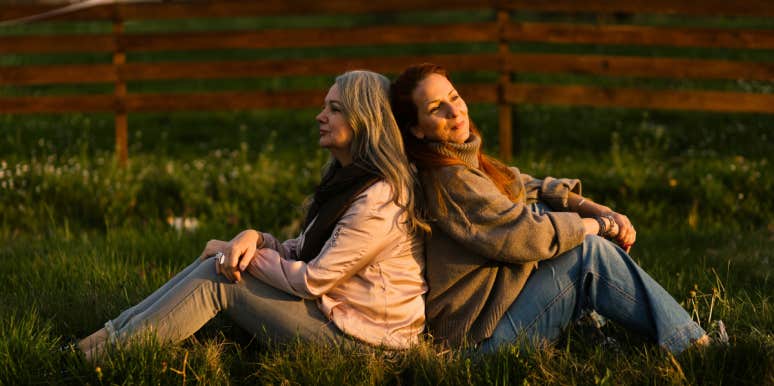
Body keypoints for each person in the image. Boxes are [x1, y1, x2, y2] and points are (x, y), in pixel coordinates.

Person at [77, 70, 428, 361]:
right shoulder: (347, 179)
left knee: (222, 281)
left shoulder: (381, 198)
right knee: (221, 262)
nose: (320, 117)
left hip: (372, 346)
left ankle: (102, 359)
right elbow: (302, 251)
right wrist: (254, 239)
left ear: (364, 120)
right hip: (339, 317)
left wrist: (242, 257)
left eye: (334, 109)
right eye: (325, 107)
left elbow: (313, 279)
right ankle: (93, 347)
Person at [388, 63, 708, 354]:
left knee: (545, 209)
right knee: (588, 255)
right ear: (417, 129)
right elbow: (524, 234)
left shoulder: (464, 162)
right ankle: (693, 347)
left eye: (454, 97)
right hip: (479, 346)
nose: (454, 111)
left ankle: (589, 330)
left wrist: (596, 209)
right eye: (435, 108)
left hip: (495, 320)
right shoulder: (450, 179)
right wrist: (599, 226)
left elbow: (524, 185)